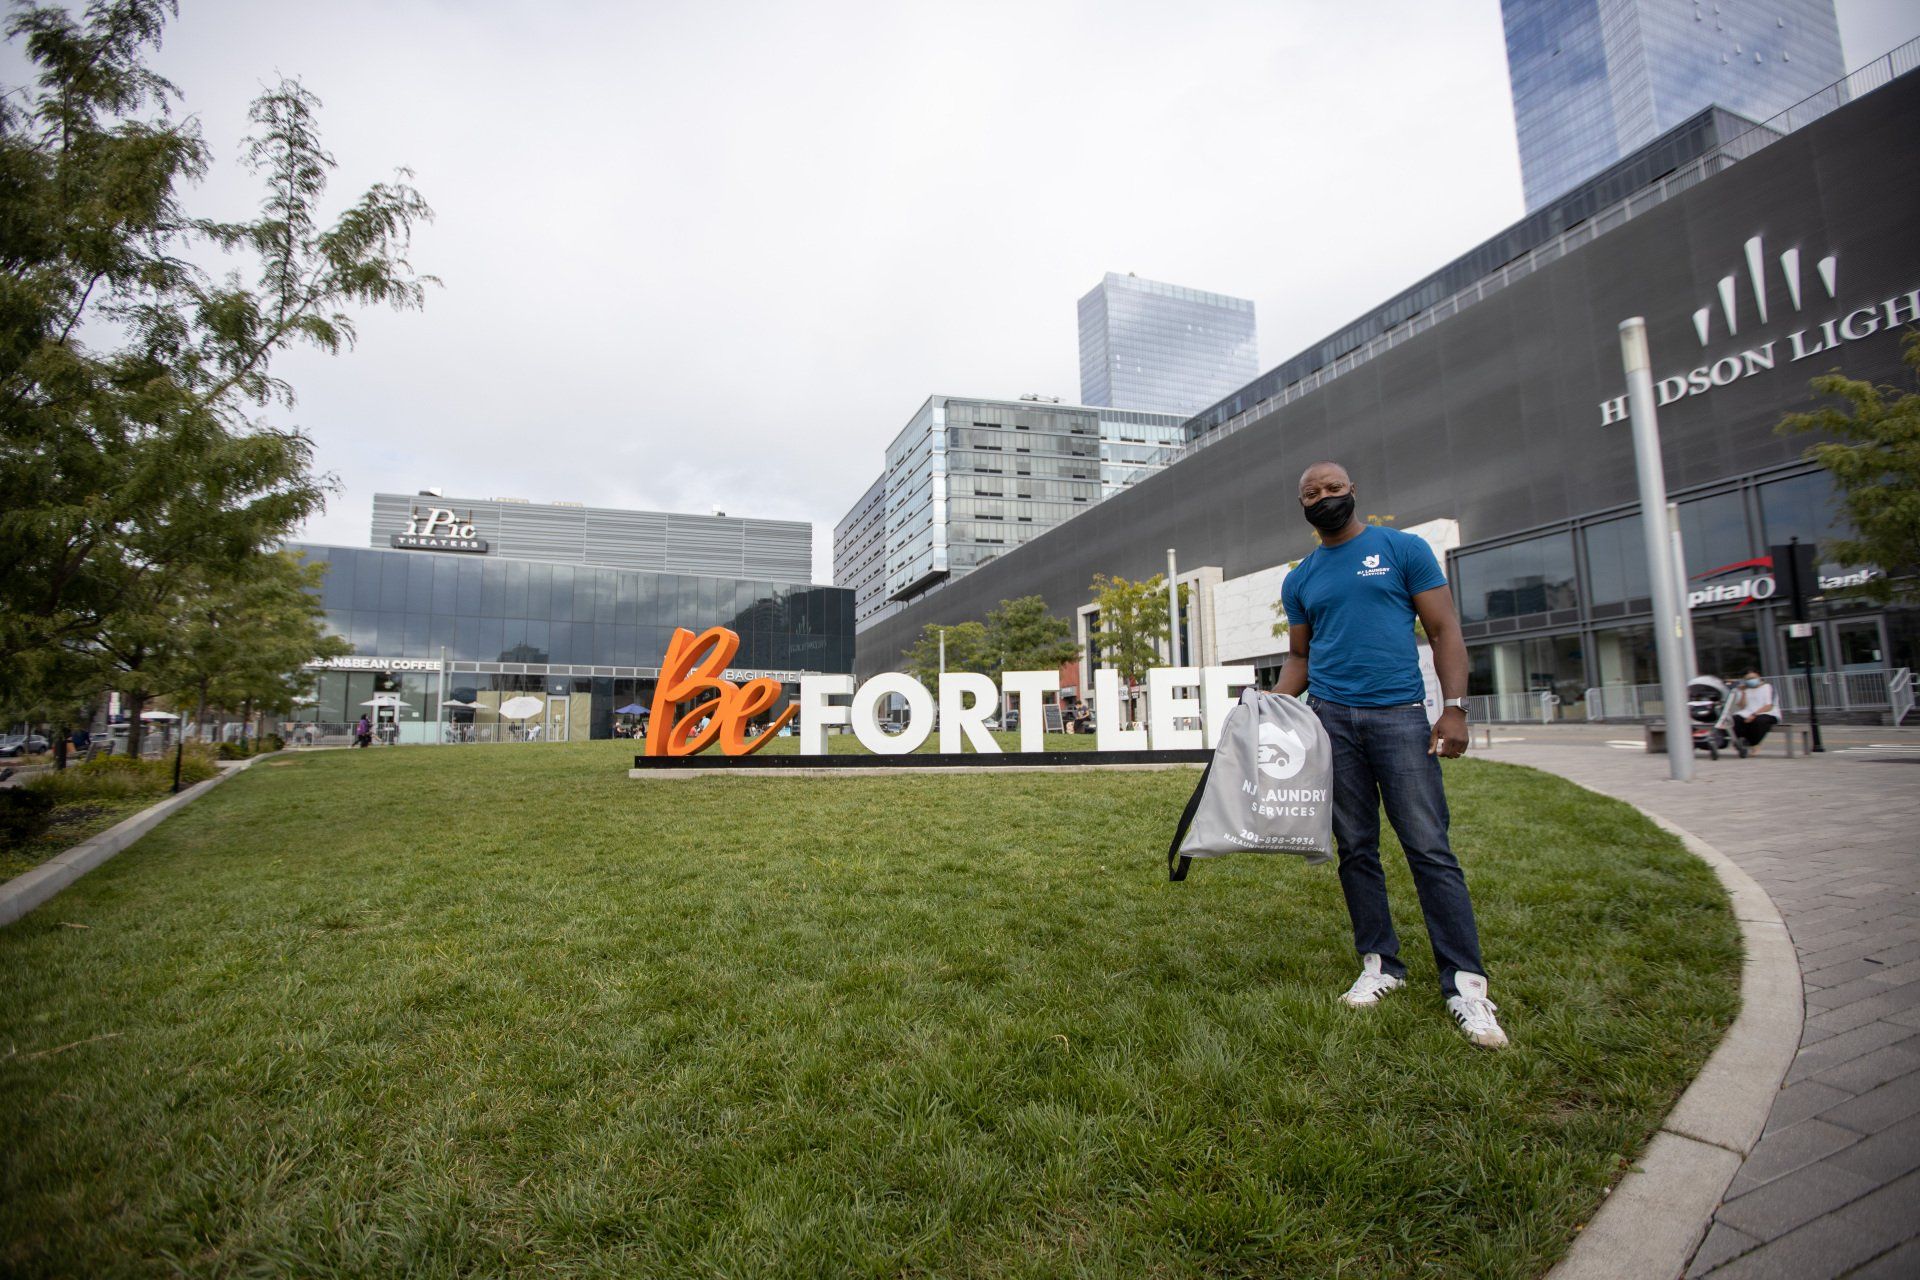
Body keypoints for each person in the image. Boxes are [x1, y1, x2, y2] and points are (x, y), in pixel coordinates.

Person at [1274, 461, 1508, 1049]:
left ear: (1352, 491)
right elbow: (1301, 657)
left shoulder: (1403, 550)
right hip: (1331, 722)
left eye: (1333, 488)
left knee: (1429, 848)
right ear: (1302, 505)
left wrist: (1454, 708)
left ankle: (1465, 985)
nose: (1324, 497)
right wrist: (1268, 709)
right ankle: (1380, 964)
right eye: (1312, 493)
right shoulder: (1300, 578)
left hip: (1400, 718)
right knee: (1356, 848)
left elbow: (1444, 630)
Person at [1727, 668, 1778, 757]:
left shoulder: (1768, 687)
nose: (1751, 680)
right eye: (1748, 679)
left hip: (1767, 713)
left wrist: (1754, 715)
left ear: (1759, 677)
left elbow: (1769, 706)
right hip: (1747, 712)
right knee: (1735, 720)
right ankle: (1740, 742)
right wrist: (1743, 692)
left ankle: (1754, 743)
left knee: (1759, 721)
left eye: (1753, 678)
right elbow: (1742, 706)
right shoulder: (1744, 689)